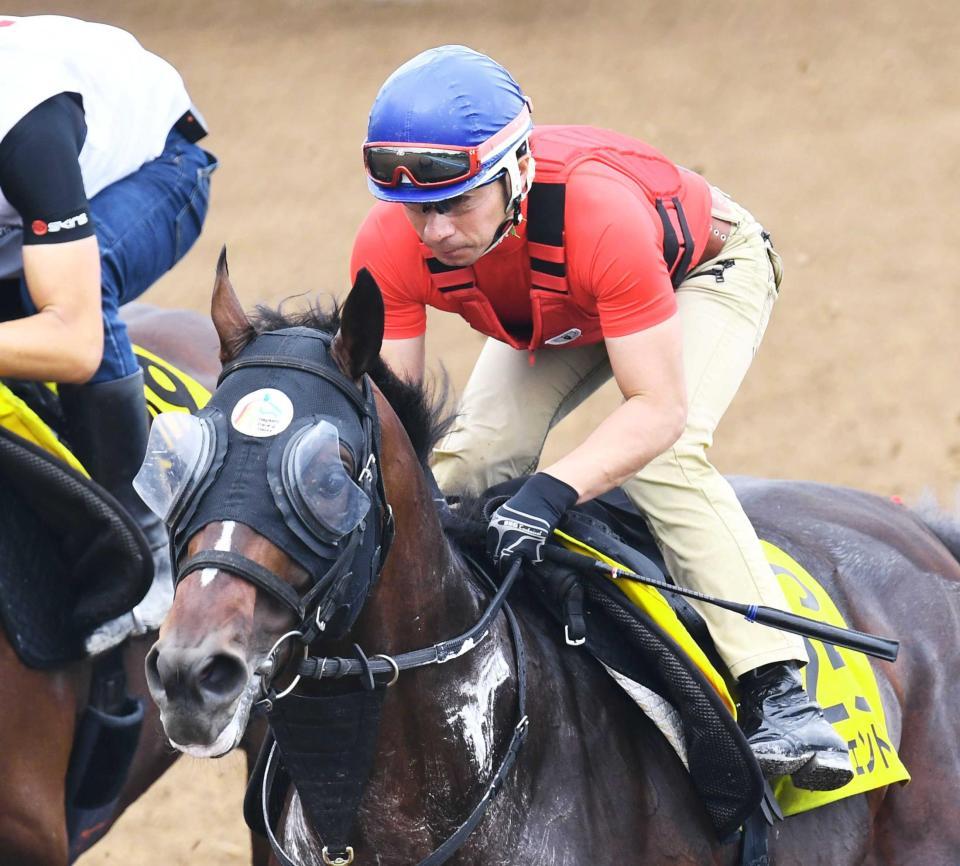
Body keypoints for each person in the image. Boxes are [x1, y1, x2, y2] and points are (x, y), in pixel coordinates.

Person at [350, 45, 853, 791]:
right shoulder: (390, 241)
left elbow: (656, 410)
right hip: (558, 307)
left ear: (518, 171)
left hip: (697, 274)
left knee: (664, 458)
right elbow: (398, 424)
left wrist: (551, 491)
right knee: (467, 464)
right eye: (416, 210)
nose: (432, 233)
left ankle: (776, 688)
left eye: (455, 204)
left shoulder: (601, 216)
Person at [0, 15, 217, 650]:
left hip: (156, 169)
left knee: (74, 296)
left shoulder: (22, 117)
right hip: (22, 210)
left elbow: (72, 341)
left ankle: (148, 541)